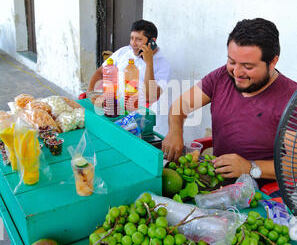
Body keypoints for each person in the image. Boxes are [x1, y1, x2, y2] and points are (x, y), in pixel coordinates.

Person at [162, 18, 297, 187]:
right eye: (232, 62)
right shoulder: (221, 77)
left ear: (272, 62)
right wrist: (175, 131)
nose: (237, 73)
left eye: (248, 66)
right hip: (219, 183)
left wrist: (250, 167)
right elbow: (180, 105)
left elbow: (294, 166)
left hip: (266, 194)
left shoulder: (292, 101)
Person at [87, 19, 171, 107]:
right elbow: (100, 71)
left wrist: (149, 63)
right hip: (111, 104)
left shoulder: (163, 65)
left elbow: (150, 97)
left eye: (138, 39)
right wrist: (90, 94)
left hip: (135, 111)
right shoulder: (124, 51)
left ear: (152, 41)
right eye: (131, 38)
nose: (133, 43)